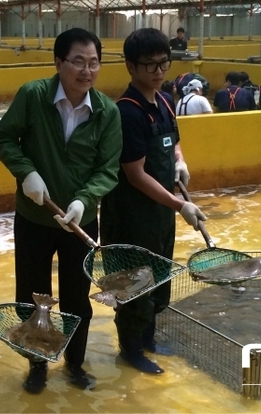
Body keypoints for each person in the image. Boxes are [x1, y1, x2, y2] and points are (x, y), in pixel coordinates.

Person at [0, 28, 122, 394]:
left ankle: (75, 364)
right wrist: (26, 172)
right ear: (58, 63)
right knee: (32, 296)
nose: (87, 70)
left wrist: (85, 199)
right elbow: (5, 139)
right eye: (78, 61)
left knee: (77, 297)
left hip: (80, 223)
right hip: (35, 218)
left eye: (94, 62)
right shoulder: (33, 95)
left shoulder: (107, 112)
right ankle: (37, 363)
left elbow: (107, 169)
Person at [99, 28, 206, 375]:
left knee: (159, 277)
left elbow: (173, 139)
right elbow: (135, 174)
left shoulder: (164, 100)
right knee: (134, 283)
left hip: (159, 214)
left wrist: (179, 161)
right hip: (131, 216)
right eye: (150, 65)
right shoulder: (126, 112)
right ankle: (130, 350)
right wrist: (180, 205)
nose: (159, 72)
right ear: (131, 67)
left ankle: (148, 339)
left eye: (164, 63)